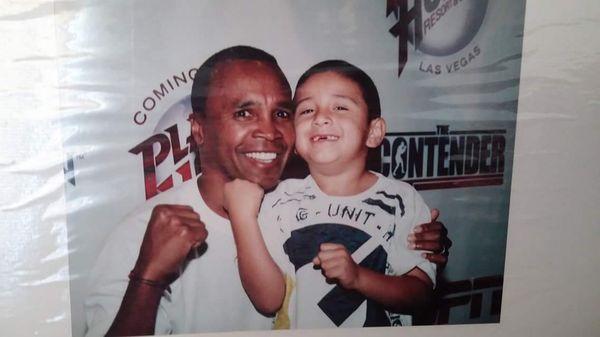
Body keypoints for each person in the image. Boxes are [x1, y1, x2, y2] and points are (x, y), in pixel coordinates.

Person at [84, 46, 449, 336]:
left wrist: (412, 241)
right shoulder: (144, 232)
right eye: (244, 113)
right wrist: (148, 278)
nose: (270, 132)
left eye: (282, 113)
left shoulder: (293, 205)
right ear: (198, 130)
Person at [224, 60, 436, 328]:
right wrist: (243, 217)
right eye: (307, 110)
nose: (320, 117)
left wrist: (359, 278)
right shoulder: (280, 200)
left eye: (340, 107)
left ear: (373, 132)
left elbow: (420, 295)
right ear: (294, 139)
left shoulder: (400, 200)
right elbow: (268, 300)